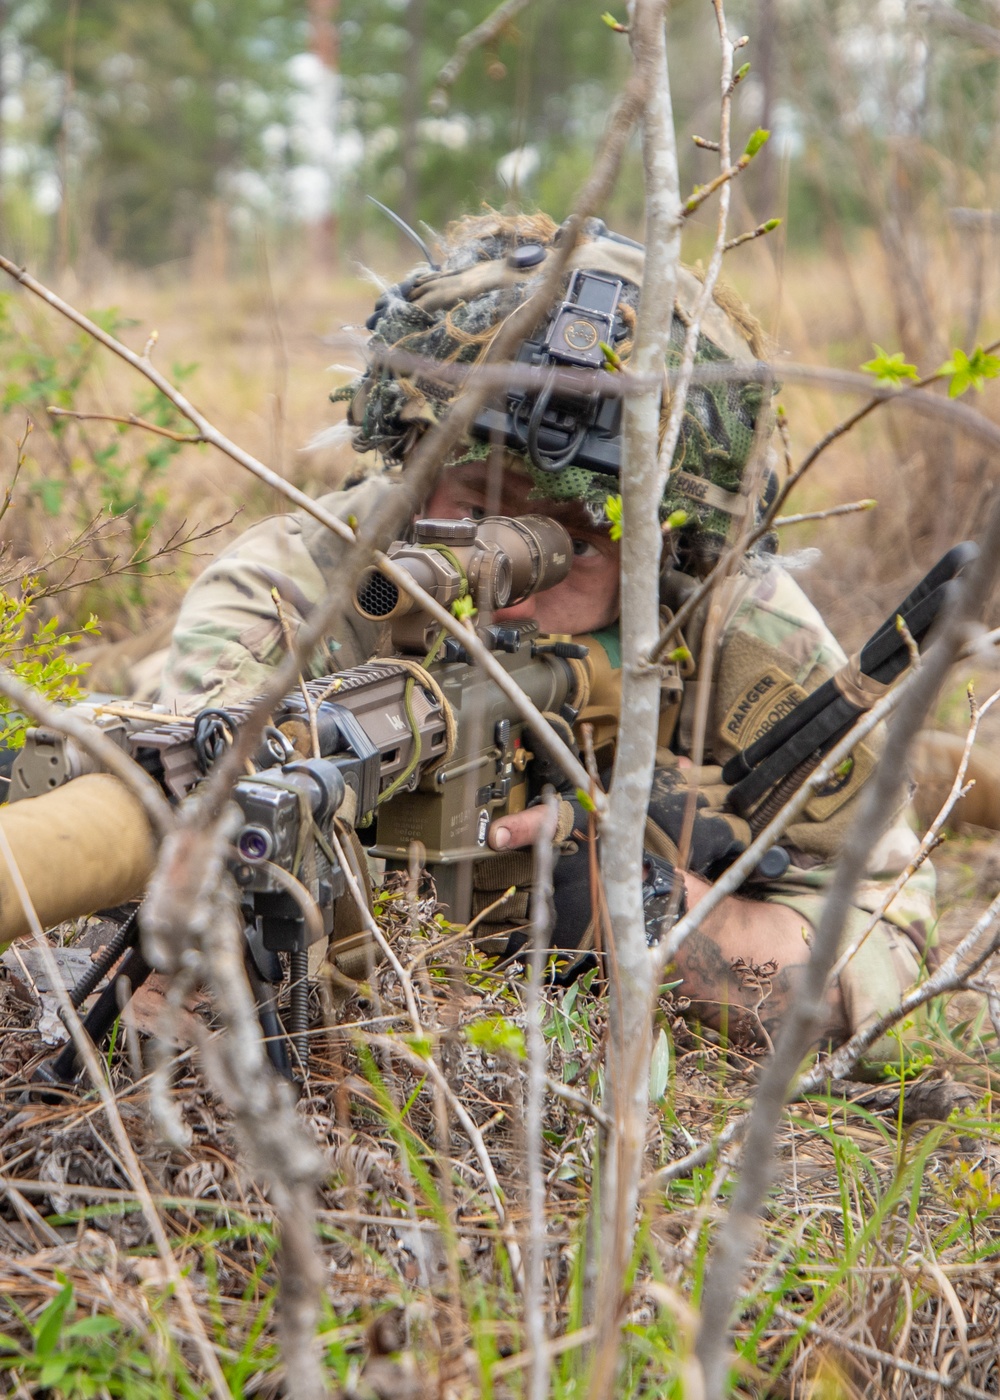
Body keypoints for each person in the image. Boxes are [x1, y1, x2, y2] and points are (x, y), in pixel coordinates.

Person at [159, 210, 935, 1066]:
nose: (506, 576)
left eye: (576, 536)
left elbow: (897, 974)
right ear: (410, 465)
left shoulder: (728, 621)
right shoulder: (294, 584)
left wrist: (647, 910)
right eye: (473, 504)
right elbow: (184, 823)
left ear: (667, 545)